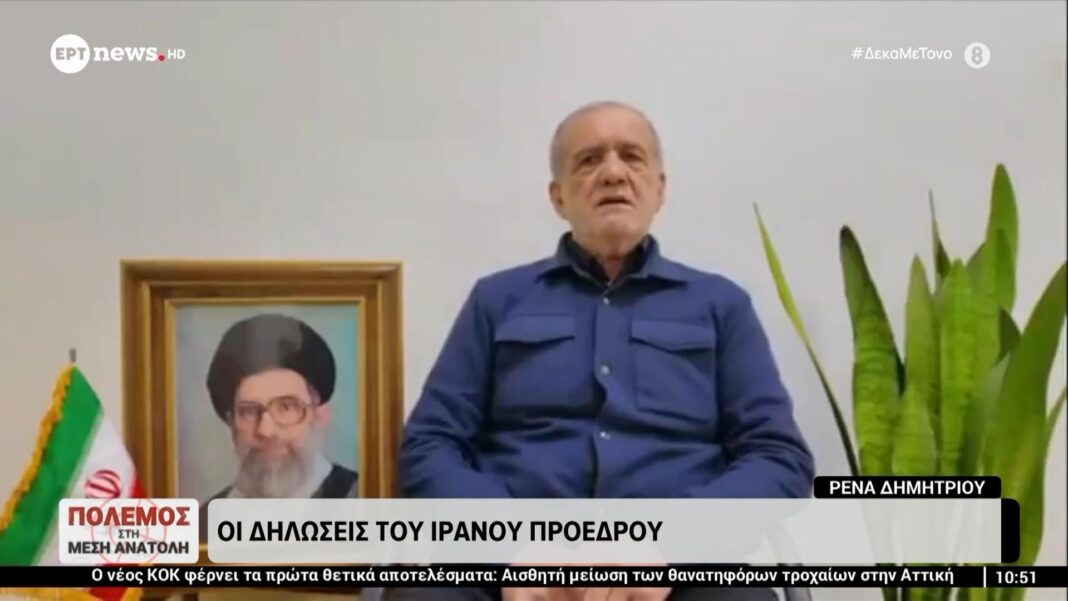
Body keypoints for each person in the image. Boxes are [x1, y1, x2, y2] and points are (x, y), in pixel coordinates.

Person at [392, 101, 815, 601]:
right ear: (558, 196)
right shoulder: (496, 301)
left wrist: (669, 551)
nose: (613, 173)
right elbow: (429, 446)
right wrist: (514, 552)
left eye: (632, 157)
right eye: (589, 160)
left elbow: (778, 456)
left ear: (660, 188)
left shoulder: (721, 306)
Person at [198, 313, 358, 537]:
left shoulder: (364, 500)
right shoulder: (203, 523)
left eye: (286, 407)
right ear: (231, 422)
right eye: (249, 411)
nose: (266, 430)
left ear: (320, 415)